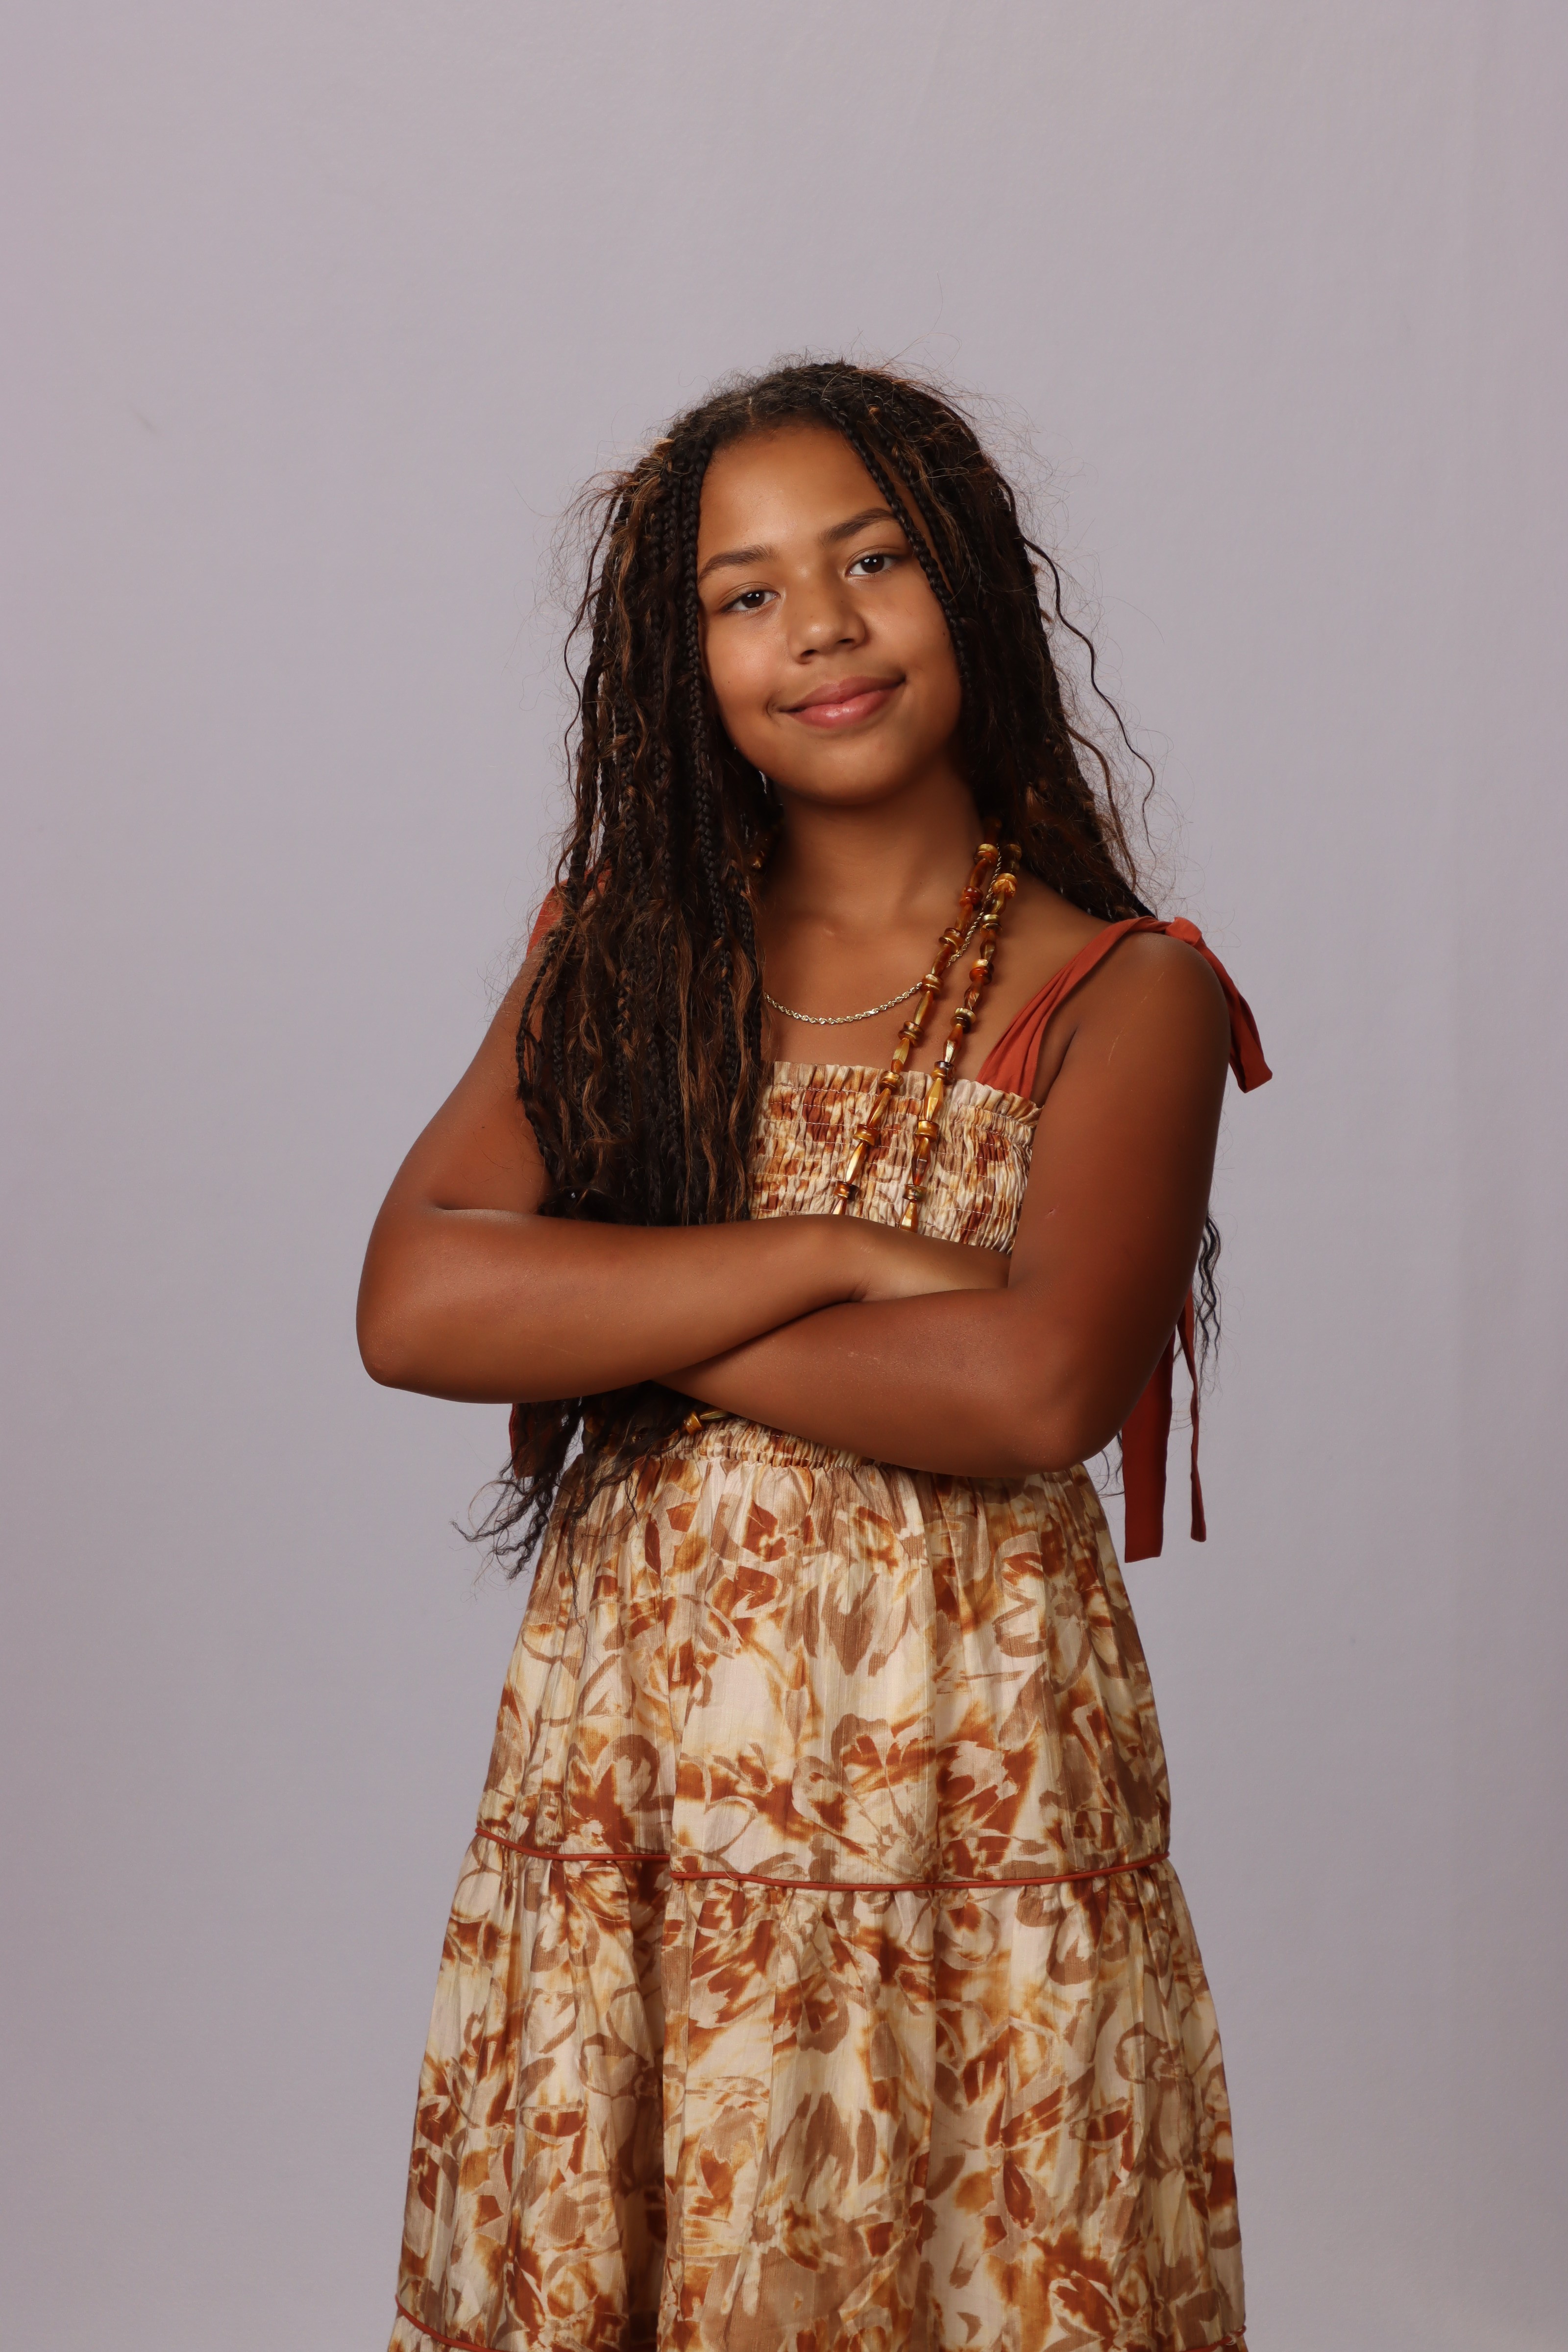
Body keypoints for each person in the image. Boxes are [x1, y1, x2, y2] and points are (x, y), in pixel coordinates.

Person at [359, 359, 1270, 2352]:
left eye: (872, 562)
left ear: (971, 588)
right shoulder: (622, 954)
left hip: (970, 1803)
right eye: (746, 593)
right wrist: (834, 1257)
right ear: (681, 660)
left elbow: (1031, 1391)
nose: (821, 629)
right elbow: (416, 1306)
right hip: (639, 1800)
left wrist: (617, 1315)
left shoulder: (1125, 996)